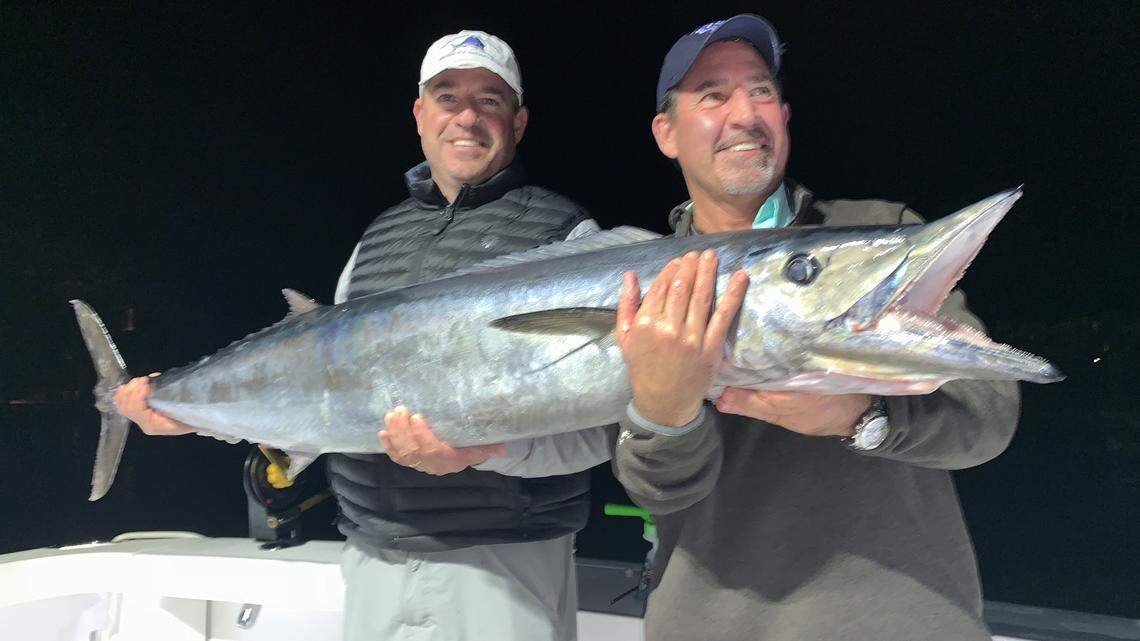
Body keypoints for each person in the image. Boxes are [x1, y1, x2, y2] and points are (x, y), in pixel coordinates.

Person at [115, 29, 612, 641]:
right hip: (370, 553)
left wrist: (480, 454)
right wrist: (189, 411)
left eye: (490, 99)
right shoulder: (377, 239)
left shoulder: (567, 236)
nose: (467, 116)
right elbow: (321, 392)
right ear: (420, 114)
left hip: (500, 560)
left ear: (519, 119)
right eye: (447, 96)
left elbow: (600, 430)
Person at [611, 15, 1020, 641]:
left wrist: (859, 416)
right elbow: (659, 491)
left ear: (785, 115)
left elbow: (986, 414)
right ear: (666, 133)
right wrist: (667, 410)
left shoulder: (880, 232)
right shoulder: (638, 289)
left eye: (762, 91)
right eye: (713, 95)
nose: (745, 113)